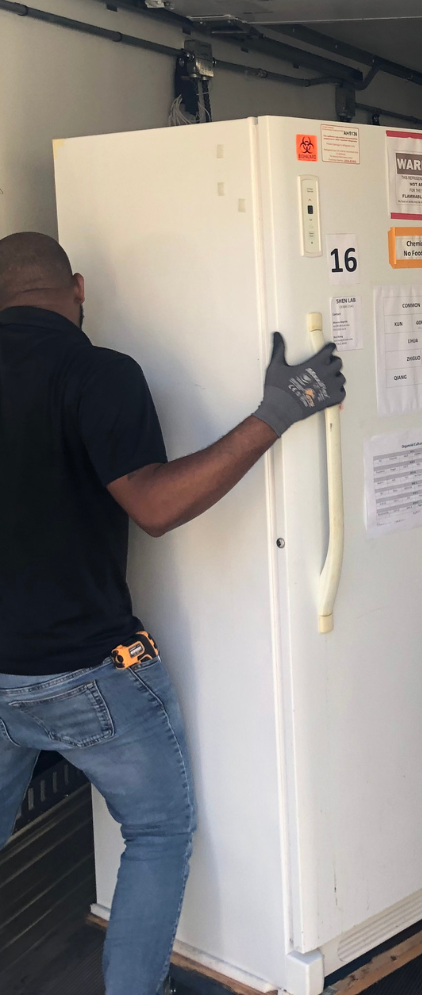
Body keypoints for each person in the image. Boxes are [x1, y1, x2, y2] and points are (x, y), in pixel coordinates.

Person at [0, 231, 345, 995]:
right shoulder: (96, 371)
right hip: (86, 672)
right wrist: (280, 410)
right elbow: (155, 505)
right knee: (157, 833)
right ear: (78, 288)